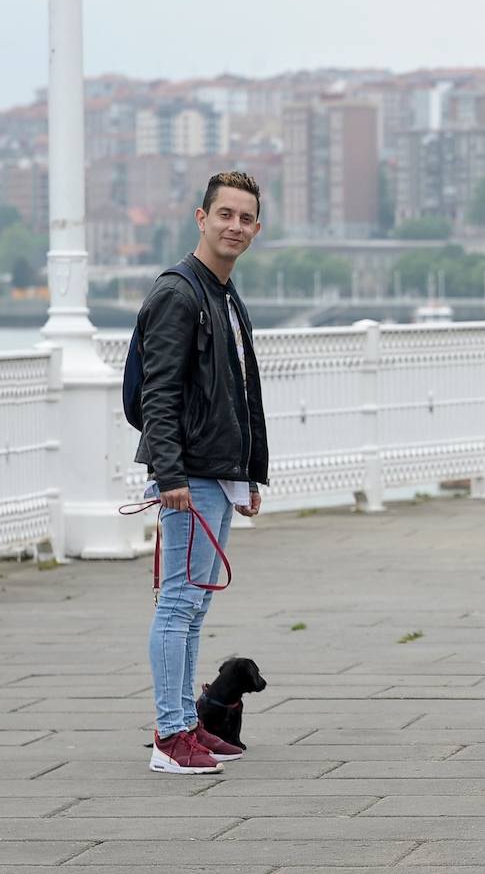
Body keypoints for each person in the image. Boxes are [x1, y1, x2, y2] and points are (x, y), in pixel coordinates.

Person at [138, 172, 269, 774]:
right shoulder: (179, 293)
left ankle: (189, 724)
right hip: (187, 476)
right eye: (225, 215)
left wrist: (248, 476)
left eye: (246, 218)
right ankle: (170, 738)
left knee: (194, 608)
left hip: (216, 475)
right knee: (178, 605)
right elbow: (158, 397)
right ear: (201, 217)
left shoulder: (223, 294)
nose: (235, 227)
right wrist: (170, 477)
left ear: (256, 227)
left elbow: (238, 394)